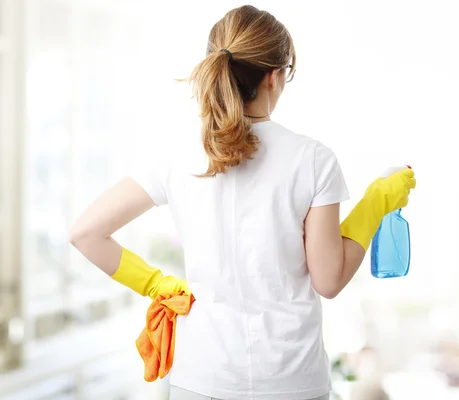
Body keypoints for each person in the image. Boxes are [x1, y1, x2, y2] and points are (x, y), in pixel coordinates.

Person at [69, 5, 416, 400]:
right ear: (275, 76)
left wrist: (156, 284)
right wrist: (375, 202)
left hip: (199, 379)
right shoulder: (312, 160)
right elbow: (329, 281)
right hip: (291, 382)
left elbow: (85, 232)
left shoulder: (179, 157)